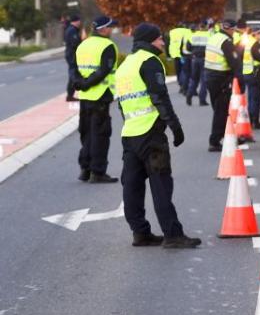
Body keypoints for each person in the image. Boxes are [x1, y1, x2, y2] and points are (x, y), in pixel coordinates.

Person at [115, 23, 201, 249]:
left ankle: (140, 233)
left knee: (131, 186)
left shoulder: (125, 66)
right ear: (150, 40)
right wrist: (175, 126)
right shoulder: (150, 62)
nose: (163, 42)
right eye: (160, 38)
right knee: (161, 183)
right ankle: (173, 235)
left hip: (130, 133)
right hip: (151, 134)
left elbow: (122, 106)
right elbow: (159, 97)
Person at [74, 15, 120, 183]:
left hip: (85, 97)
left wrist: (80, 84)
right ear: (103, 29)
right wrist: (87, 84)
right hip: (100, 95)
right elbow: (103, 71)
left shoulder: (83, 45)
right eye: (110, 27)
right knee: (100, 135)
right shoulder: (108, 46)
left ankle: (85, 169)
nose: (111, 30)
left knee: (86, 134)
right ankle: (98, 172)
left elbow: (75, 68)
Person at [204, 19, 243, 151]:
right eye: (234, 30)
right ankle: (214, 141)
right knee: (221, 111)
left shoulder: (214, 38)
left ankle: (228, 135)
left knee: (219, 109)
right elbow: (234, 63)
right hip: (221, 79)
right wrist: (240, 81)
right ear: (231, 29)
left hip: (210, 77)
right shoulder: (226, 42)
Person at [184, 20, 209, 106]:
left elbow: (188, 48)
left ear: (199, 26)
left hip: (194, 59)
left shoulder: (193, 35)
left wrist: (194, 52)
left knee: (194, 79)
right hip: (205, 59)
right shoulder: (209, 35)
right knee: (204, 81)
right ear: (206, 26)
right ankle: (202, 100)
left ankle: (189, 95)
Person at [167, 22, 193, 95]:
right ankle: (185, 86)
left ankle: (181, 85)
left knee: (178, 71)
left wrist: (168, 55)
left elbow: (167, 43)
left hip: (175, 54)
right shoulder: (188, 31)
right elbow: (190, 42)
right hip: (184, 54)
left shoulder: (172, 32)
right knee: (185, 71)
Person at [64, 14, 83, 102]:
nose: (80, 23)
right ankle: (70, 95)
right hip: (72, 55)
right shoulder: (72, 31)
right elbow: (75, 43)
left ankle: (70, 95)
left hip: (72, 54)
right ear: (76, 21)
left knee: (74, 74)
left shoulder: (72, 29)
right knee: (73, 75)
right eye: (79, 21)